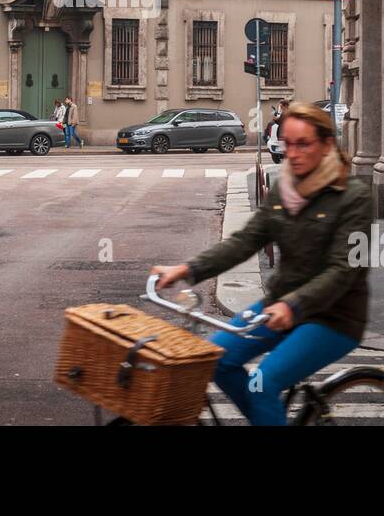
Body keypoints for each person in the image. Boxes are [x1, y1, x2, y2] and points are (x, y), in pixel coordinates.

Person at [150, 102, 372, 426]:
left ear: (327, 145)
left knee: (262, 384)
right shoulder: (284, 188)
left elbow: (344, 271)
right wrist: (188, 270)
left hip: (333, 317)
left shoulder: (355, 196)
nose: (292, 153)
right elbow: (245, 241)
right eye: (287, 144)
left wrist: (293, 306)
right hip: (279, 305)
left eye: (303, 144)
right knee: (217, 360)